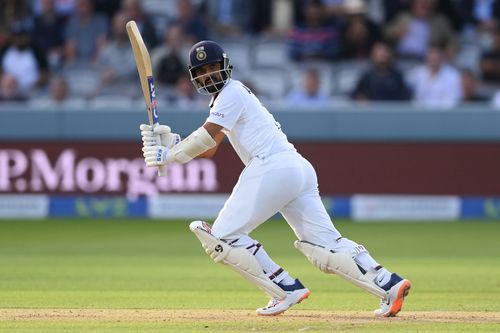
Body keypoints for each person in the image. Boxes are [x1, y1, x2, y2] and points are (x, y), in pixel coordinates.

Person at [139, 40, 412, 316]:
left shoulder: (231, 92)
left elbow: (207, 136)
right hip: (296, 169)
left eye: (212, 67)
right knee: (324, 247)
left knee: (222, 238)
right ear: (193, 76)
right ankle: (388, 283)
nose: (208, 74)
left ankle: (284, 289)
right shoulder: (225, 99)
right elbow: (209, 149)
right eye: (202, 71)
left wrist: (170, 155)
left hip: (272, 167)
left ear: (225, 66)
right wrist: (173, 143)